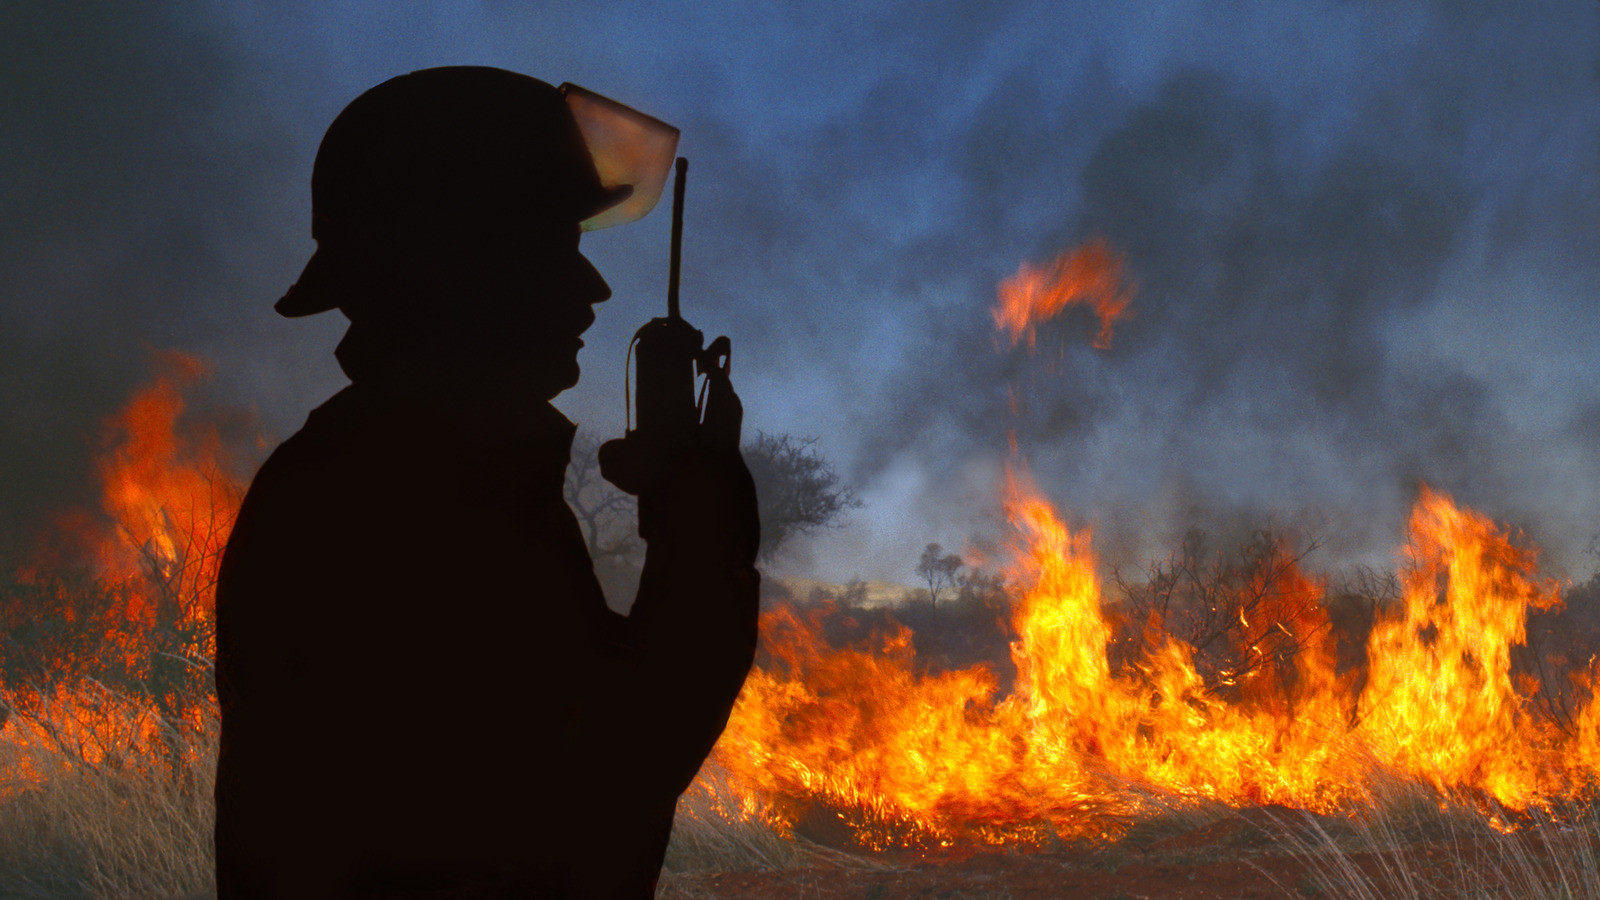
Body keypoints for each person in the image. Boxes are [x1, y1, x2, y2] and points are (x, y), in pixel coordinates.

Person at [213, 66, 760, 899]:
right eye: (552, 250)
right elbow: (618, 767)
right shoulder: (404, 497)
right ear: (453, 268)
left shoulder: (412, 465)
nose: (593, 291)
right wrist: (701, 514)